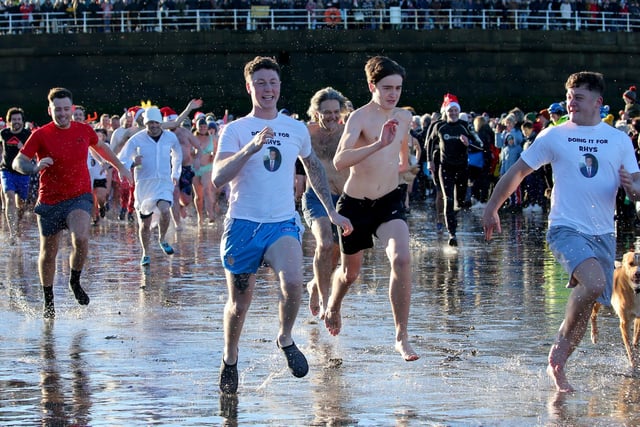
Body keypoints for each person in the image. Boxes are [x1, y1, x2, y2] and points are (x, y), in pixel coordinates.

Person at [482, 71, 640, 393]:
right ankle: (559, 349)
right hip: (565, 229)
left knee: (589, 300)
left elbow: (637, 187)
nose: (571, 103)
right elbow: (518, 171)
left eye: (578, 98)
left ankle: (559, 362)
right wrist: (492, 207)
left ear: (598, 102)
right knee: (594, 284)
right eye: (568, 97)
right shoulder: (554, 136)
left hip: (604, 234)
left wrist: (633, 188)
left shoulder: (619, 140)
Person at [213, 56, 352, 394]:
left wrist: (331, 212)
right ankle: (230, 357)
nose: (268, 89)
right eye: (260, 83)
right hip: (243, 225)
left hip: (282, 224)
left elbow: (314, 168)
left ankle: (285, 337)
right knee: (239, 304)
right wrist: (250, 148)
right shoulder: (236, 130)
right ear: (250, 87)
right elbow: (218, 178)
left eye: (272, 83)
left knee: (292, 283)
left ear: (279, 87)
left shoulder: (295, 128)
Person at [324, 55, 419, 362]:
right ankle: (335, 305)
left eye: (398, 88)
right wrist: (378, 144)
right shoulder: (360, 118)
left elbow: (401, 152)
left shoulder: (404, 117)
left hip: (389, 201)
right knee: (350, 273)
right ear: (372, 86)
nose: (393, 94)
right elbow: (340, 161)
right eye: (387, 87)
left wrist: (406, 166)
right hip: (355, 206)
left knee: (402, 259)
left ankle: (401, 336)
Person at [12, 87, 132, 318]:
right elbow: (19, 161)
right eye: (58, 110)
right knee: (49, 252)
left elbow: (101, 147)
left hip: (79, 196)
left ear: (72, 109)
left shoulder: (84, 130)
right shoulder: (40, 135)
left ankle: (74, 280)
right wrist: (35, 167)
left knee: (82, 237)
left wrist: (120, 166)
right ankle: (49, 301)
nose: (63, 114)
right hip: (49, 200)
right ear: (50, 110)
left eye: (66, 109)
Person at [302, 86, 350, 318]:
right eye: (326, 112)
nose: (332, 116)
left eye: (335, 111)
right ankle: (323, 297)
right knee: (324, 243)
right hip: (316, 198)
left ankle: (314, 285)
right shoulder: (306, 134)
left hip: (344, 200)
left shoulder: (348, 133)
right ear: (316, 112)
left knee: (336, 256)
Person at [118, 106, 182, 266]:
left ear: (160, 123)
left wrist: (175, 174)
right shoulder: (136, 139)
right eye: (149, 123)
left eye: (155, 123)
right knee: (144, 224)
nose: (153, 126)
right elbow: (122, 158)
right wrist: (132, 163)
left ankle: (162, 239)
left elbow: (177, 155)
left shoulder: (170, 137)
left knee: (166, 210)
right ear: (145, 123)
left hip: (164, 182)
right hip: (144, 185)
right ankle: (146, 253)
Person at [0, 107, 32, 244]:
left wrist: (22, 147)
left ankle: (17, 223)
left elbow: (32, 153)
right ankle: (13, 233)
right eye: (13, 120)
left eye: (19, 119)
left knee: (21, 204)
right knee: (9, 198)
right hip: (7, 170)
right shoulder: (4, 133)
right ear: (9, 122)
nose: (16, 122)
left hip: (22, 172)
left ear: (22, 121)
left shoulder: (27, 134)